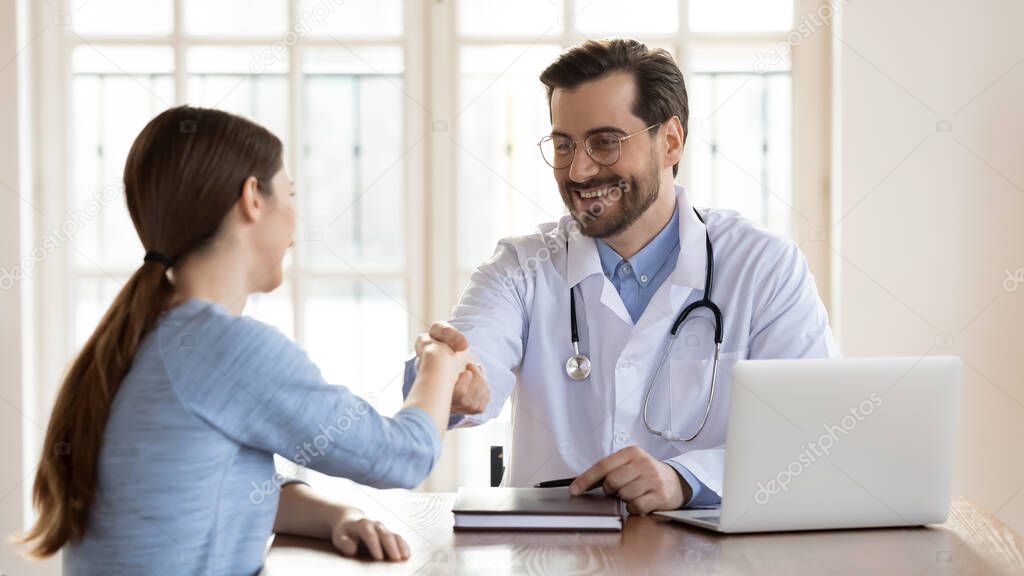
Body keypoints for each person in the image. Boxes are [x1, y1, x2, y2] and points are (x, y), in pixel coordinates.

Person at [18, 106, 483, 575]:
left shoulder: (142, 336)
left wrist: (338, 516)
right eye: (290, 194)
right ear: (252, 199)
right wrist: (440, 360)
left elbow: (212, 485)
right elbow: (401, 456)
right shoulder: (223, 347)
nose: (296, 226)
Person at [410, 39, 839, 514]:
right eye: (563, 145)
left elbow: (813, 437)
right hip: (555, 561)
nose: (579, 169)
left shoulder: (764, 268)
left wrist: (684, 479)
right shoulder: (521, 269)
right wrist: (450, 380)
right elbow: (468, 361)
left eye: (605, 143)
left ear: (670, 141)